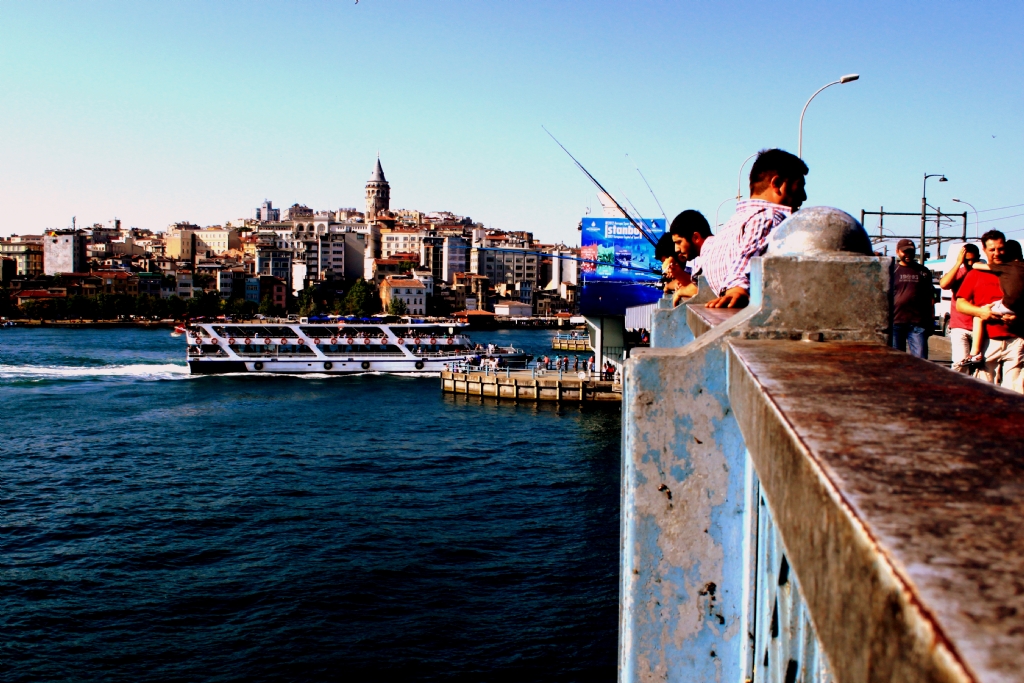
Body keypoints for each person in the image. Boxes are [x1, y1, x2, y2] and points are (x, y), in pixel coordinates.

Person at [690, 149, 808, 309]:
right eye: (800, 186)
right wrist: (737, 290)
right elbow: (749, 256)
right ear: (777, 184)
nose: (804, 196)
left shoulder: (732, 223)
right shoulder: (769, 218)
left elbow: (703, 263)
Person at [955, 230, 1023, 391]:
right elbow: (960, 304)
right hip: (987, 342)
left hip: (1017, 340)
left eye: (1000, 249)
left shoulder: (1017, 271)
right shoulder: (976, 274)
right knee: (984, 393)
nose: (997, 253)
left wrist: (1019, 318)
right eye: (992, 250)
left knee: (1016, 394)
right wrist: (980, 313)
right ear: (984, 250)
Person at [891, 239, 936, 359]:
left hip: (918, 323)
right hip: (896, 321)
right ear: (897, 252)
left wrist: (932, 318)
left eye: (911, 251)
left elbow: (930, 296)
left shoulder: (923, 272)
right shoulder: (891, 271)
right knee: (896, 360)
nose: (908, 255)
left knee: (921, 359)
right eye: (904, 252)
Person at [939, 244, 981, 372]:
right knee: (960, 363)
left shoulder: (982, 272)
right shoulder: (959, 272)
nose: (970, 262)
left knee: (980, 366)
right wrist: (958, 263)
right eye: (966, 260)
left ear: (978, 257)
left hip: (979, 327)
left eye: (973, 259)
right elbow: (943, 284)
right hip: (959, 326)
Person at [665, 210, 712, 303]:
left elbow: (704, 290)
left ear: (696, 238)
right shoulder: (702, 257)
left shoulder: (712, 254)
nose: (676, 249)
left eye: (679, 242)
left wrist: (681, 291)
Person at [655, 232, 694, 304]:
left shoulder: (694, 264)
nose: (663, 266)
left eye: (664, 261)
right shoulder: (687, 270)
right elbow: (679, 283)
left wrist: (679, 291)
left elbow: (697, 287)